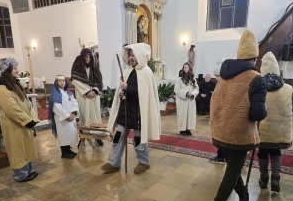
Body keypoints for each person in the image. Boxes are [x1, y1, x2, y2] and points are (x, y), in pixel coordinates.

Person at [208, 29, 267, 201]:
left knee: (233, 168)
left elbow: (215, 103)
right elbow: (257, 114)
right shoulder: (256, 78)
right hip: (238, 135)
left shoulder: (224, 74)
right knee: (232, 171)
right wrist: (265, 111)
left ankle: (244, 196)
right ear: (255, 58)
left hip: (219, 132)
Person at [101, 43, 161, 174]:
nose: (131, 58)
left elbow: (144, 94)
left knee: (139, 139)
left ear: (139, 55)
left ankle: (144, 162)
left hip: (139, 113)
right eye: (129, 55)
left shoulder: (146, 72)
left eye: (133, 55)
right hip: (125, 111)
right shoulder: (127, 71)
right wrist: (122, 93)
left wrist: (127, 88)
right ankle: (114, 163)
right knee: (118, 136)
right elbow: (122, 92)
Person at [0, 58, 39, 182]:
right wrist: (27, 120)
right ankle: (19, 175)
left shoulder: (15, 84)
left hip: (24, 123)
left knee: (26, 147)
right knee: (18, 149)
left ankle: (27, 171)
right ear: (6, 69)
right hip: (14, 125)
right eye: (15, 68)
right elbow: (11, 109)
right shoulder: (1, 88)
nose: (17, 70)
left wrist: (32, 118)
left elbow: (26, 102)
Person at [258, 51, 293, 192]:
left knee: (262, 153)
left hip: (263, 130)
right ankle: (276, 178)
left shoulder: (259, 87)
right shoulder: (288, 89)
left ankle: (264, 177)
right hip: (280, 130)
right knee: (276, 152)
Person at [71, 48, 104, 146]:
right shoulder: (77, 64)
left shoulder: (94, 65)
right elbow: (75, 80)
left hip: (94, 95)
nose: (88, 59)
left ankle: (97, 136)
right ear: (82, 56)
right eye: (86, 56)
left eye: (89, 57)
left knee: (96, 116)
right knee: (84, 116)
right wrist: (86, 91)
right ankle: (83, 138)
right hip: (83, 96)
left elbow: (99, 79)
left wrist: (94, 90)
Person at [48, 75, 80, 159]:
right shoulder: (56, 93)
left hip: (71, 116)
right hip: (61, 118)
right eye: (59, 81)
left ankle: (68, 149)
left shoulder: (68, 92)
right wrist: (67, 116)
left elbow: (74, 102)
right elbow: (56, 106)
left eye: (63, 81)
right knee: (63, 134)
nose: (62, 82)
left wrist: (73, 113)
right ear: (56, 83)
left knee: (69, 133)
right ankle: (64, 152)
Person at [175, 62, 199, 136]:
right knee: (182, 115)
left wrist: (193, 94)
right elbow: (176, 89)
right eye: (185, 67)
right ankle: (182, 130)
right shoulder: (179, 79)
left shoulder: (193, 79)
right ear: (183, 68)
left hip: (191, 99)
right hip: (183, 100)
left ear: (189, 69)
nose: (186, 69)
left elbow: (196, 88)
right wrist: (186, 93)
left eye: (187, 67)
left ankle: (188, 129)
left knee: (190, 115)